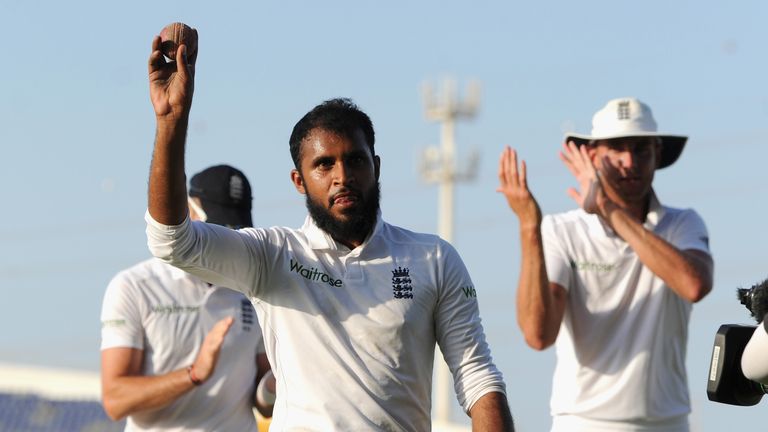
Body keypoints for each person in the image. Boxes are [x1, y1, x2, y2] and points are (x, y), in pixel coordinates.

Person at [143, 35, 514, 431]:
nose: (342, 177)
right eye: (324, 165)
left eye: (355, 160)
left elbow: (477, 377)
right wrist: (171, 121)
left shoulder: (434, 258)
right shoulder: (273, 255)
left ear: (376, 167)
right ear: (299, 181)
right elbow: (172, 241)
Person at [497, 97, 714, 431]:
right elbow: (538, 335)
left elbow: (694, 284)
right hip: (582, 422)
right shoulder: (561, 229)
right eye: (617, 149)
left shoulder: (683, 224)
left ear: (657, 153)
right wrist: (529, 225)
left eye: (641, 149)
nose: (630, 161)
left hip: (668, 423)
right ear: (592, 156)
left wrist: (608, 210)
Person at [100, 164, 275, 430]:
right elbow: (115, 399)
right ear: (188, 211)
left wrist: (277, 385)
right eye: (216, 228)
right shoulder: (134, 286)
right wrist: (193, 374)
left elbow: (262, 396)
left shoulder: (255, 286)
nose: (224, 241)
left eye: (234, 232)